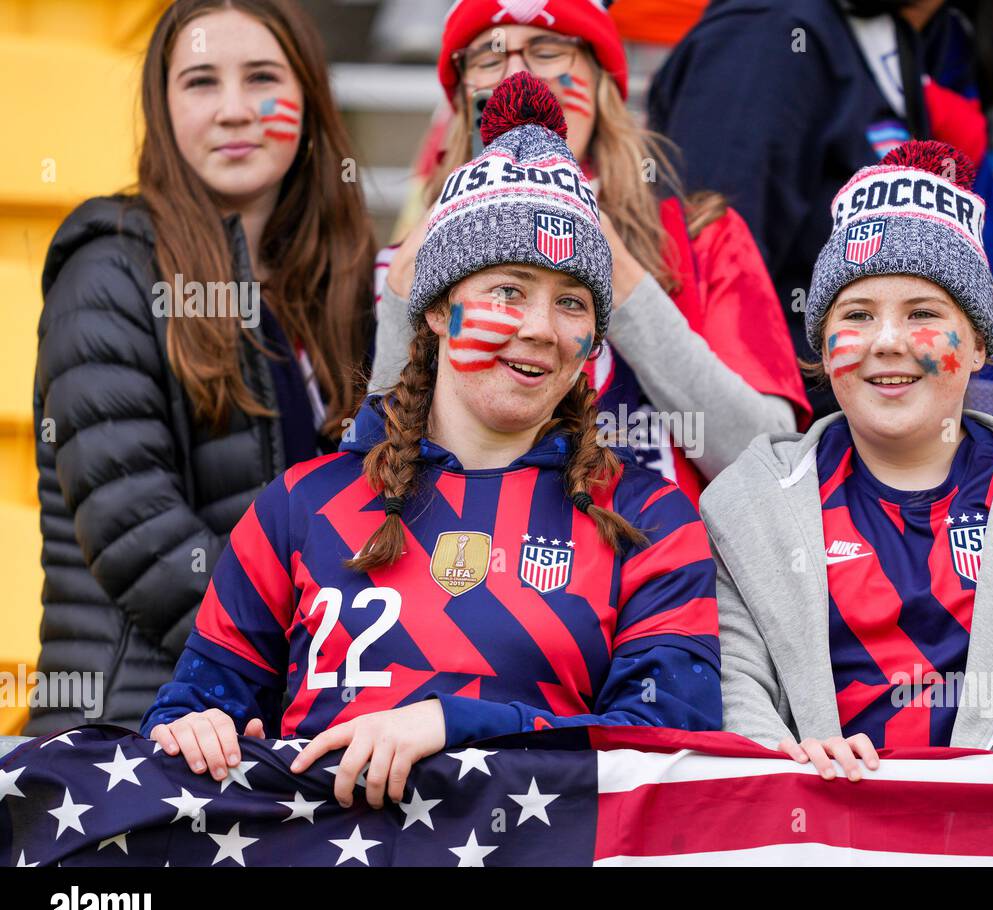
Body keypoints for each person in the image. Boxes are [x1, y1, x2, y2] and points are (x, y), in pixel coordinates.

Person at [141, 76, 723, 809]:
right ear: (441, 310)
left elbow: (672, 747)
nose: (541, 326)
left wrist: (455, 724)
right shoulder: (301, 502)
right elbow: (189, 706)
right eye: (508, 290)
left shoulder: (654, 522)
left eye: (571, 302)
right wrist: (193, 727)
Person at [702, 142, 993, 802]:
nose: (887, 341)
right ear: (821, 342)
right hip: (827, 840)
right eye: (857, 315)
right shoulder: (749, 502)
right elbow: (731, 675)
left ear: (979, 343)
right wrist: (779, 754)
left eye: (923, 313)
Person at [28, 0, 374, 736]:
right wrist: (322, 659)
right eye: (200, 82)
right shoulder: (109, 271)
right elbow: (141, 541)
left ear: (310, 98)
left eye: (262, 78)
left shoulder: (331, 284)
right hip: (130, 733)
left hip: (277, 726)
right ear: (163, 106)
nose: (234, 110)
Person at [371, 0, 810, 506]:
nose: (518, 77)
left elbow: (767, 464)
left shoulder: (702, 237)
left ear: (602, 83)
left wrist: (617, 275)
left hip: (672, 571)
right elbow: (375, 472)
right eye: (489, 59)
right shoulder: (402, 263)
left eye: (547, 48)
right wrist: (406, 293)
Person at [650, 0, 993, 422]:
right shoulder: (768, 35)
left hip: (864, 438)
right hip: (785, 446)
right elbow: (699, 276)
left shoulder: (891, 34)